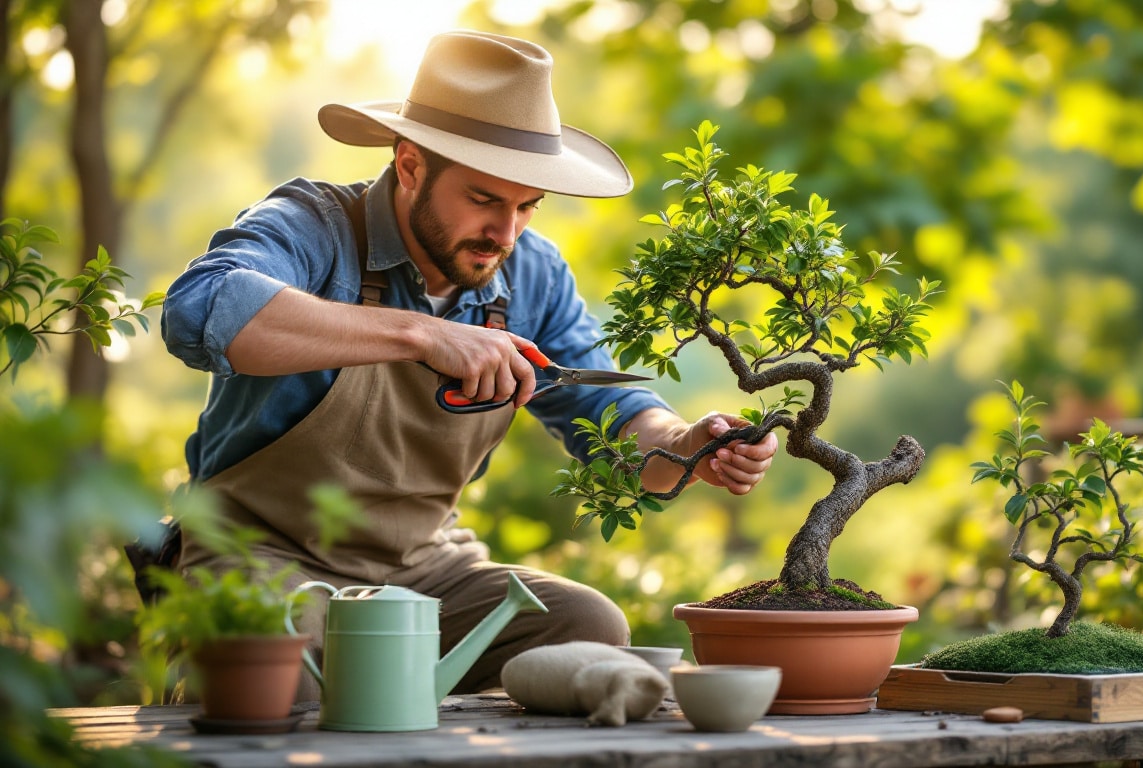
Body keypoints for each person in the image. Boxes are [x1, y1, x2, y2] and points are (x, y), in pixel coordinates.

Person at [159, 29, 777, 700]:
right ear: (409, 167)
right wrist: (419, 334)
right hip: (260, 556)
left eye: (526, 207)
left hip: (427, 568)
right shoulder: (312, 227)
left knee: (588, 626)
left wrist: (688, 445)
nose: (505, 234)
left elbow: (615, 418)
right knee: (278, 671)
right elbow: (200, 309)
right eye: (484, 199)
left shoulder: (533, 275)